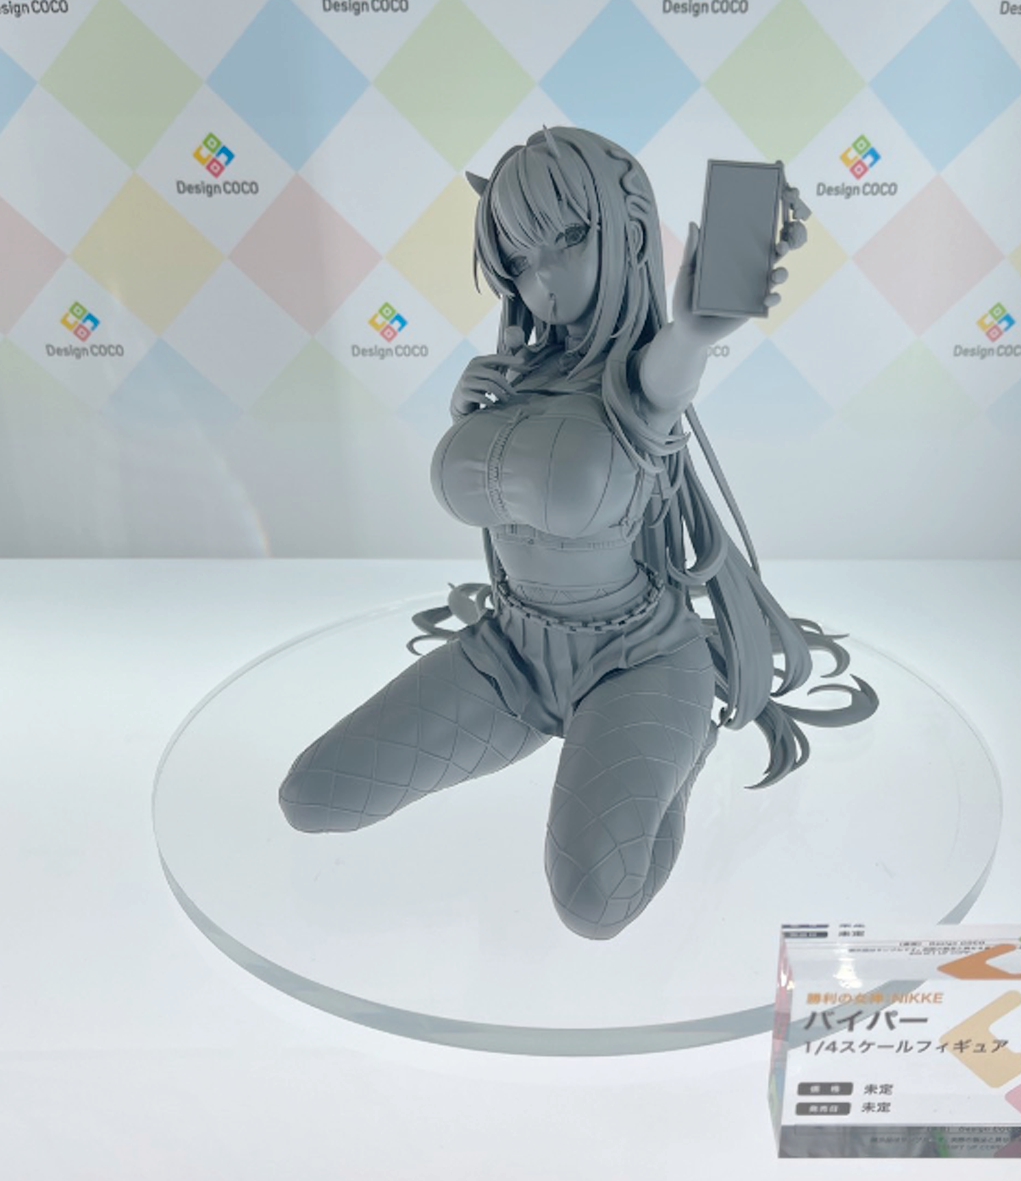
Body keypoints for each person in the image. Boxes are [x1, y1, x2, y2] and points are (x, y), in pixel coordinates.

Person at [279, 127, 875, 939]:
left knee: (595, 902)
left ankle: (688, 735)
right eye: (520, 260)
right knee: (311, 797)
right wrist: (465, 416)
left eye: (567, 240)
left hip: (639, 661)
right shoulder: (514, 374)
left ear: (627, 233)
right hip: (511, 657)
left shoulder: (640, 382)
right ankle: (605, 738)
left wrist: (698, 327)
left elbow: (670, 374)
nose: (544, 280)